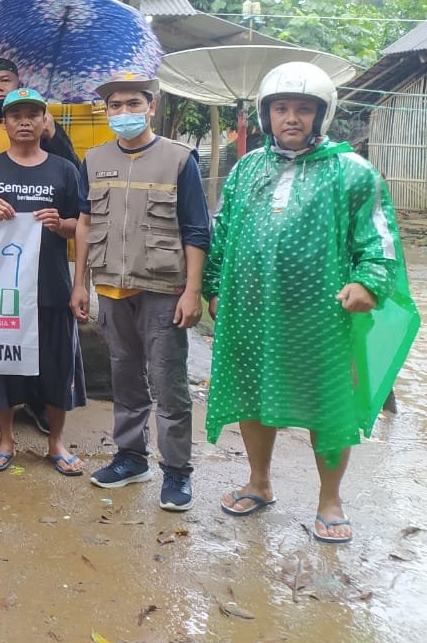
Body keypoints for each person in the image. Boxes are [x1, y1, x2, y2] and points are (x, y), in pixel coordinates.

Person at [204, 63, 413, 544]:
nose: (291, 118)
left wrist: (369, 283)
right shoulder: (248, 168)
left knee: (328, 403)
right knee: (253, 395)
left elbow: (379, 242)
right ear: (266, 114)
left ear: (322, 114)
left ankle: (330, 500)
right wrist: (214, 284)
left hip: (322, 316)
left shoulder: (353, 173)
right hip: (251, 310)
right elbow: (223, 233)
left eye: (303, 108)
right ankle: (259, 482)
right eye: (281, 108)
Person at [69, 72, 210, 511]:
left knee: (168, 384)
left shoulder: (179, 159)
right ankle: (131, 458)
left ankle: (177, 473)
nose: (124, 113)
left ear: (151, 106)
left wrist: (192, 291)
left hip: (164, 288)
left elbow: (196, 230)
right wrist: (80, 283)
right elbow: (87, 223)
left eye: (133, 104)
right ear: (106, 111)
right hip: (111, 287)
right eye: (116, 106)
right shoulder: (92, 159)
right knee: (124, 379)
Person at [0, 89, 86, 475]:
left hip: (50, 285)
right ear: (4, 123)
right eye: (15, 114)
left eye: (32, 114)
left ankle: (56, 443)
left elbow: (81, 227)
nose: (23, 121)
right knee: (3, 369)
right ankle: (6, 440)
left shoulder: (65, 169)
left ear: (43, 121)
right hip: (3, 290)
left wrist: (61, 224)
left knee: (56, 368)